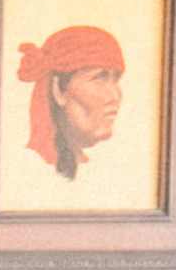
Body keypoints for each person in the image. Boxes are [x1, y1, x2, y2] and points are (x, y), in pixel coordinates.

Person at [16, 22, 126, 183]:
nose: (115, 96)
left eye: (116, 79)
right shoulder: (27, 171)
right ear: (58, 90)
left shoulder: (105, 174)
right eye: (99, 78)